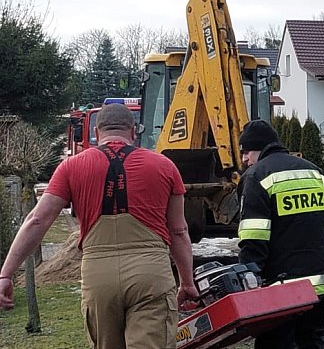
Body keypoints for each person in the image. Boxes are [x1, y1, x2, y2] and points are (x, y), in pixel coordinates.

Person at [0, 103, 198, 349]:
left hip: (98, 274)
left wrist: (6, 273)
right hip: (150, 272)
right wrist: (187, 282)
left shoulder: (70, 167)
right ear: (133, 132)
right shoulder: (165, 167)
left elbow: (36, 220)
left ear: (97, 131)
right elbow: (179, 231)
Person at [237, 120, 324, 349]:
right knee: (311, 341)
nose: (244, 159)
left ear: (259, 148)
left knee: (275, 344)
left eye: (246, 152)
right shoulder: (313, 172)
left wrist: (249, 274)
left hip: (277, 288)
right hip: (313, 285)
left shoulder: (256, 176)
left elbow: (254, 236)